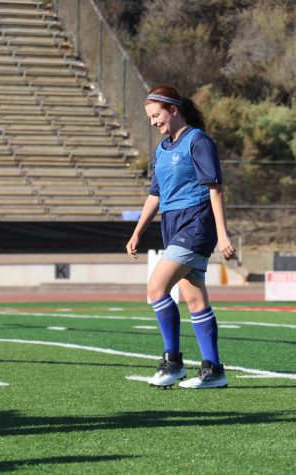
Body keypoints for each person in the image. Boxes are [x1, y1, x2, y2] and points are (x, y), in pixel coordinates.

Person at [126, 85, 236, 389]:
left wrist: (223, 234)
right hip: (172, 225)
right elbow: (155, 196)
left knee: (156, 287)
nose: (152, 122)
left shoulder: (198, 141)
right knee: (193, 296)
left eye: (156, 115)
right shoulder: (161, 150)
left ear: (174, 110)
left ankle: (172, 362)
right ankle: (213, 370)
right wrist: (137, 232)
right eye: (149, 117)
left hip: (196, 223)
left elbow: (215, 189)